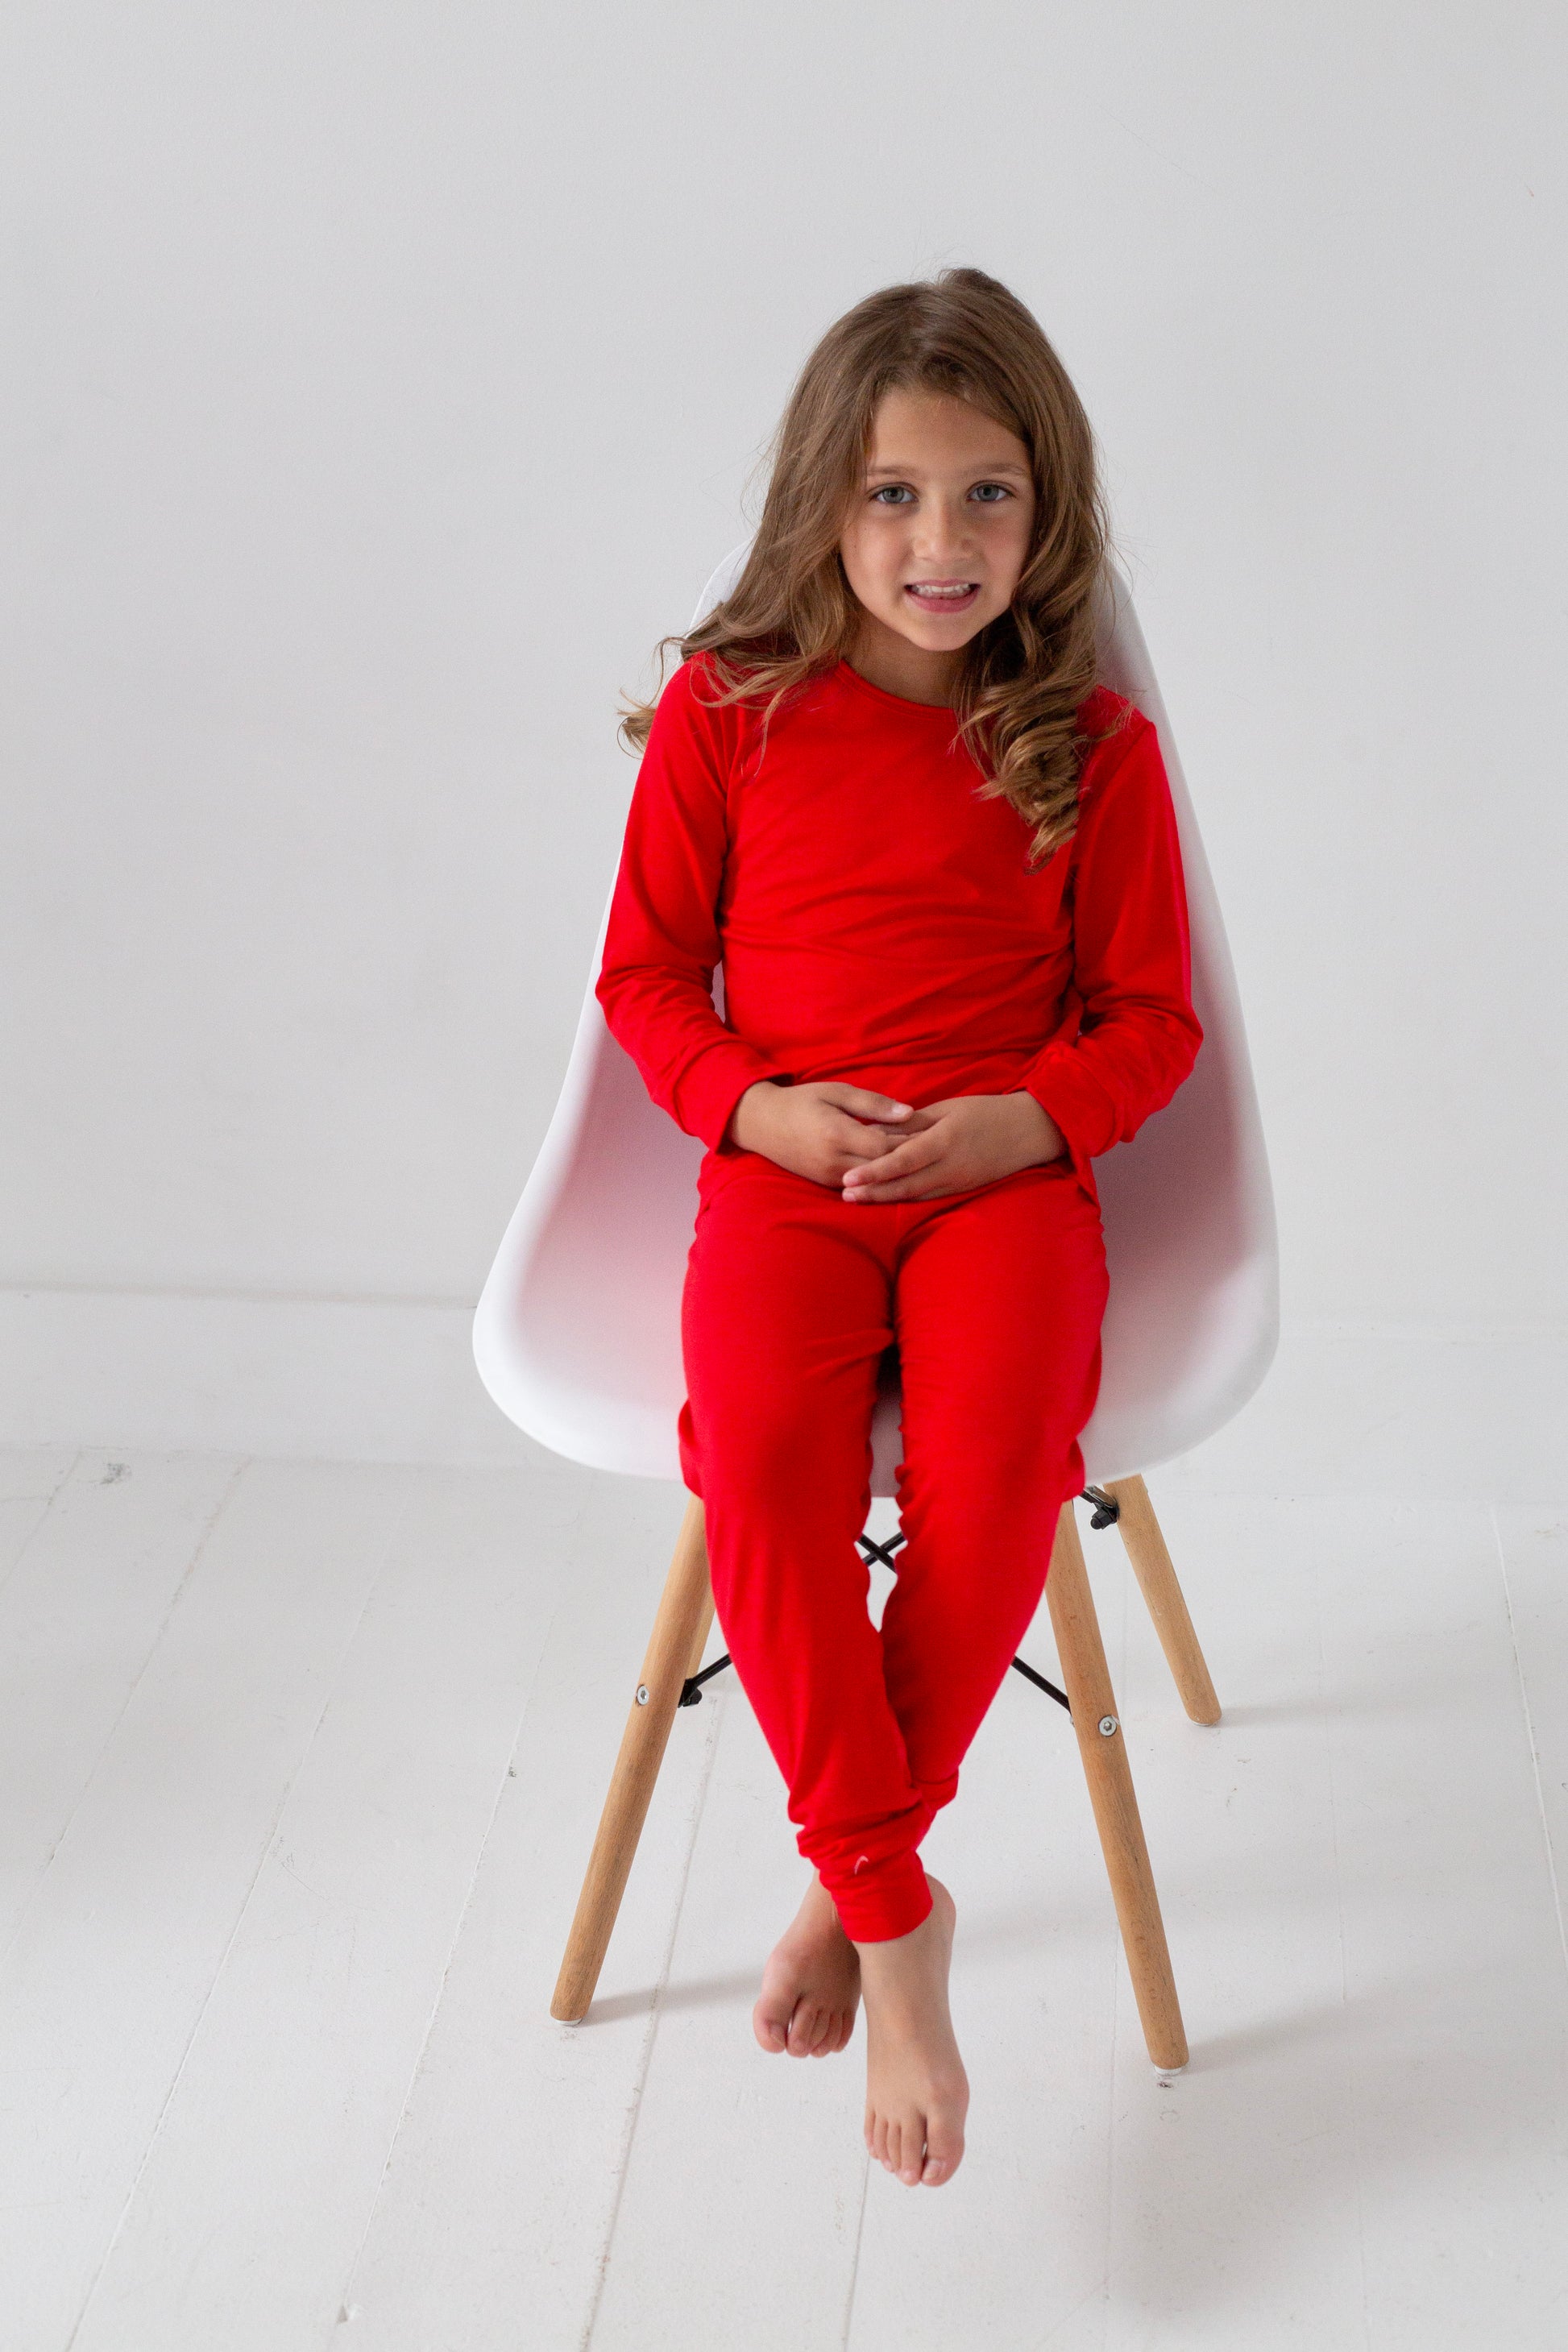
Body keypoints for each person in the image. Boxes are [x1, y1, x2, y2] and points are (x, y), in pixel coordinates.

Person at [595, 268, 1202, 2190]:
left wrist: (1022, 1119)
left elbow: (1152, 1021)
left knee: (1001, 1464)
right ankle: (888, 1909)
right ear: (819, 502)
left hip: (1002, 1182)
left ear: (1050, 508)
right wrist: (759, 1106)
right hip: (783, 1174)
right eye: (891, 496)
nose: (938, 543)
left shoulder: (1087, 747)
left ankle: (848, 1890)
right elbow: (642, 982)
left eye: (986, 495)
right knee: (763, 1461)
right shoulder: (728, 710)